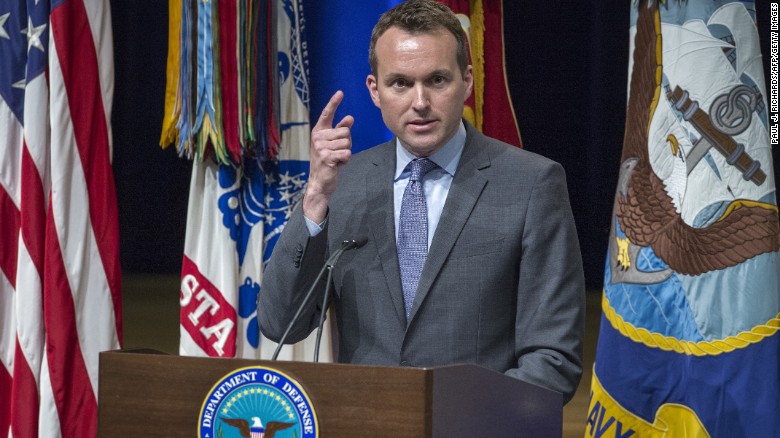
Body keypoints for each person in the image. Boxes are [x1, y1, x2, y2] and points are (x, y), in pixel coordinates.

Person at [259, 0, 585, 403]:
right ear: (374, 91)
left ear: (466, 82)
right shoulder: (342, 184)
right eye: (400, 83)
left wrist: (462, 420)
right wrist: (314, 200)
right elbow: (281, 324)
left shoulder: (531, 184)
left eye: (436, 80)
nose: (419, 102)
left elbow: (554, 359)